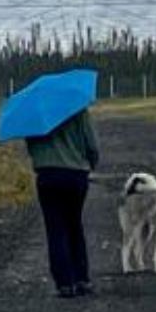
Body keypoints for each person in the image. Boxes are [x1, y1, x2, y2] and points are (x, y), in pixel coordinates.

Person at [25, 107, 99, 298]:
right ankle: (82, 278)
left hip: (48, 174)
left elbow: (31, 146)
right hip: (76, 174)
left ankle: (65, 283)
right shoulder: (78, 110)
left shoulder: (35, 112)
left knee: (56, 229)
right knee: (74, 224)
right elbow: (92, 144)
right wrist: (90, 163)